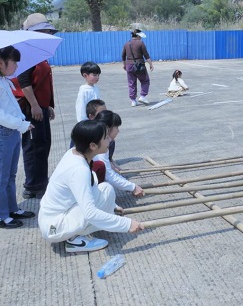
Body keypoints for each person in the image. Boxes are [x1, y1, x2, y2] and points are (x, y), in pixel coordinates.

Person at [38, 121, 144, 253]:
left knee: (106, 189)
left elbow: (92, 187)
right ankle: (74, 239)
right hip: (54, 226)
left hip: (57, 216)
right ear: (93, 145)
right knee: (95, 211)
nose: (109, 140)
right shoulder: (79, 170)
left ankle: (76, 231)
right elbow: (90, 213)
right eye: (105, 137)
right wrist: (127, 224)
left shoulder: (75, 153)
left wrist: (111, 206)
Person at [12, 13, 57, 199]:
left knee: (43, 144)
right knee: (33, 146)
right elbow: (24, 82)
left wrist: (48, 105)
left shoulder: (38, 52)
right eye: (44, 31)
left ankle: (41, 181)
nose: (48, 34)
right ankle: (32, 185)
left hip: (40, 106)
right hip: (31, 108)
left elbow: (42, 82)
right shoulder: (25, 52)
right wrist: (35, 105)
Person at [0, 46, 35, 229]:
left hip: (11, 131)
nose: (16, 66)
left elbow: (11, 107)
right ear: (1, 62)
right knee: (2, 176)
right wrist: (21, 124)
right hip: (3, 132)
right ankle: (2, 215)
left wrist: (21, 121)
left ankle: (11, 209)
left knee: (11, 174)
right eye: (14, 62)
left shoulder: (4, 80)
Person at [92, 110, 144, 197]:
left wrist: (110, 166)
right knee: (108, 188)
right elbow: (109, 176)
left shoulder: (97, 138)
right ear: (108, 129)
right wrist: (132, 187)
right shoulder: (100, 146)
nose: (118, 131)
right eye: (116, 127)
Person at [122, 28, 153, 107]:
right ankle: (142, 96)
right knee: (145, 80)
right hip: (139, 65)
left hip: (129, 65)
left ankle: (133, 101)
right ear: (138, 36)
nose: (141, 38)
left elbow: (123, 56)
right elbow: (146, 55)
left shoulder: (126, 44)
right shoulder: (140, 43)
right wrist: (151, 64)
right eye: (141, 36)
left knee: (131, 83)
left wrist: (125, 65)